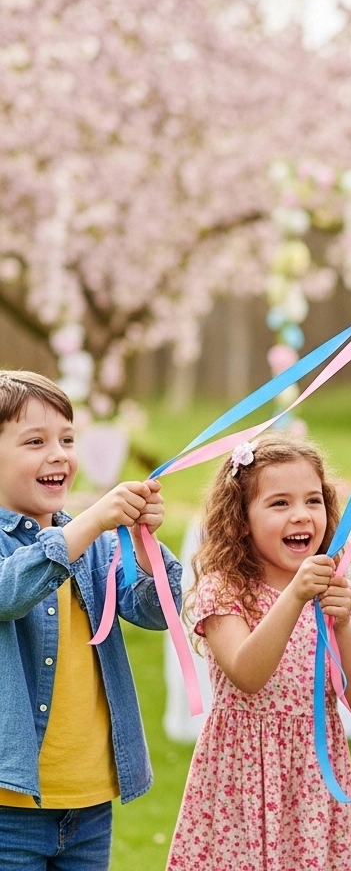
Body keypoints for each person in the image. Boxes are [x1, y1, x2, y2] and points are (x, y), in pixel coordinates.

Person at [167, 434, 351, 871]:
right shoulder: (224, 589)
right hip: (242, 773)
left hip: (313, 776)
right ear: (241, 520)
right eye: (279, 503)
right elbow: (247, 672)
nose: (301, 515)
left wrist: (341, 625)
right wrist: (295, 597)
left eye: (313, 501)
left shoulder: (335, 592)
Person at [0, 370, 176, 871]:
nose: (58, 454)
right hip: (9, 807)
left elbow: (158, 610)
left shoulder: (94, 542)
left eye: (67, 439)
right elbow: (8, 592)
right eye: (35, 441)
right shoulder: (82, 532)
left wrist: (143, 547)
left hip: (89, 800)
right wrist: (92, 521)